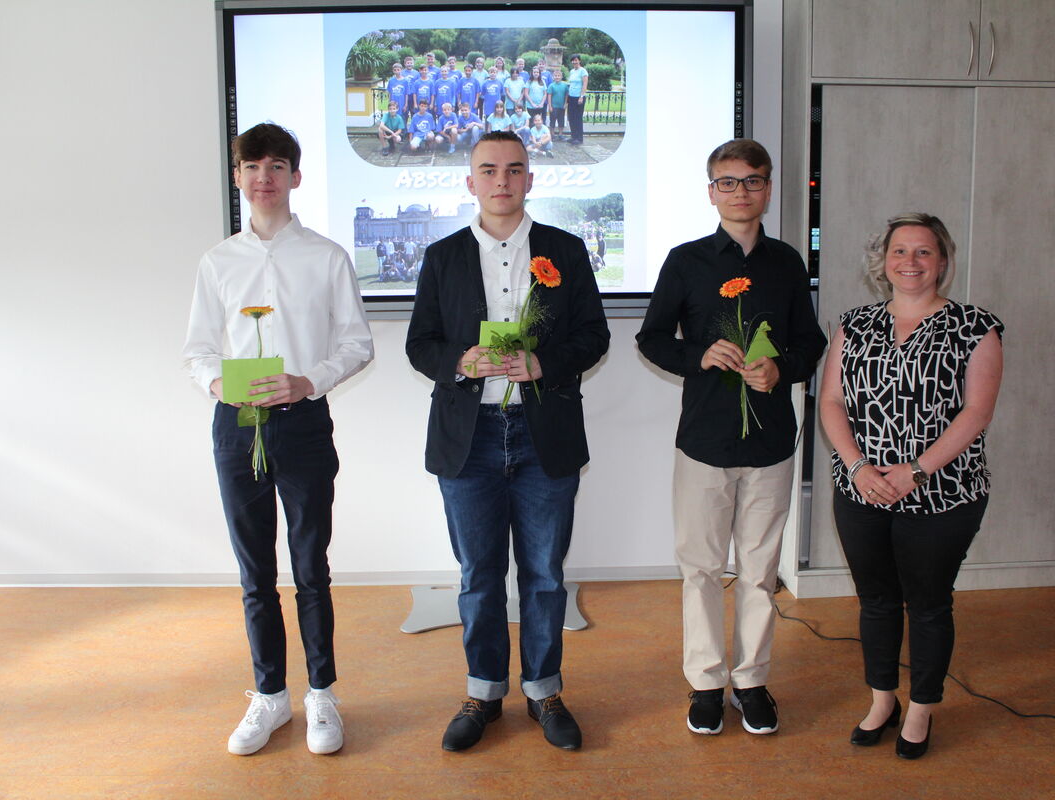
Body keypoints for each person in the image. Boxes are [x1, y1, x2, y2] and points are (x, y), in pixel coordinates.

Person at [406, 131, 610, 753]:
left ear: (530, 179)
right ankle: (484, 692)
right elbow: (420, 344)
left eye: (514, 170)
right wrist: (459, 362)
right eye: (489, 170)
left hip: (542, 434)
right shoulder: (442, 256)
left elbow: (593, 336)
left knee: (545, 574)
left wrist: (544, 363)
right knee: (479, 574)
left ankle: (544, 691)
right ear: (470, 182)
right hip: (467, 440)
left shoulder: (565, 250)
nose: (502, 181)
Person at [182, 123, 374, 756]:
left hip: (303, 421)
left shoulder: (327, 257)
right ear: (238, 176)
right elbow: (197, 350)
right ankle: (269, 695)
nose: (263, 178)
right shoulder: (218, 261)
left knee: (311, 567)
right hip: (237, 425)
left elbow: (357, 344)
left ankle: (322, 693)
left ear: (296, 176)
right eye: (252, 166)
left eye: (276, 166)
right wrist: (218, 385)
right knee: (255, 571)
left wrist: (307, 381)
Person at [636, 139, 826, 738]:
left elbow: (811, 342)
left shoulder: (787, 262)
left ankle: (751, 681)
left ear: (768, 189)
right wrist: (699, 355)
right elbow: (651, 338)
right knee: (700, 568)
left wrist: (782, 369)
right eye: (728, 182)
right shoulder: (686, 261)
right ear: (711, 191)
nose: (740, 192)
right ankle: (705, 683)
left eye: (752, 181)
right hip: (704, 441)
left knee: (760, 569)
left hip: (771, 442)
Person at [818, 213, 1004, 760]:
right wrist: (858, 468)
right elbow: (831, 402)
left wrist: (915, 471)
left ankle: (921, 707)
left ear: (942, 261)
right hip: (862, 490)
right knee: (876, 601)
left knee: (927, 604)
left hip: (943, 493)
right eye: (900, 251)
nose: (911, 262)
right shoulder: (854, 325)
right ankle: (883, 700)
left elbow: (977, 413)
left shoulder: (975, 327)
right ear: (884, 261)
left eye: (924, 252)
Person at [566, 55, 589, 145]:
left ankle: (579, 138)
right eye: (573, 60)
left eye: (576, 60)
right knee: (571, 117)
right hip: (571, 97)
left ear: (579, 61)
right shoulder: (572, 71)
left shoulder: (583, 71)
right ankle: (573, 136)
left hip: (579, 98)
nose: (574, 62)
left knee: (578, 118)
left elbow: (585, 84)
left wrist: (581, 96)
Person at [547, 69, 569, 141]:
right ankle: (552, 135)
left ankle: (560, 134)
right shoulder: (551, 86)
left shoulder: (564, 86)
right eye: (555, 76)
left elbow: (566, 95)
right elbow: (549, 96)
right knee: (552, 121)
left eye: (558, 76)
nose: (557, 77)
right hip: (553, 107)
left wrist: (565, 103)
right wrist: (550, 106)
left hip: (561, 107)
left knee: (561, 121)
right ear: (553, 77)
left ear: (561, 77)